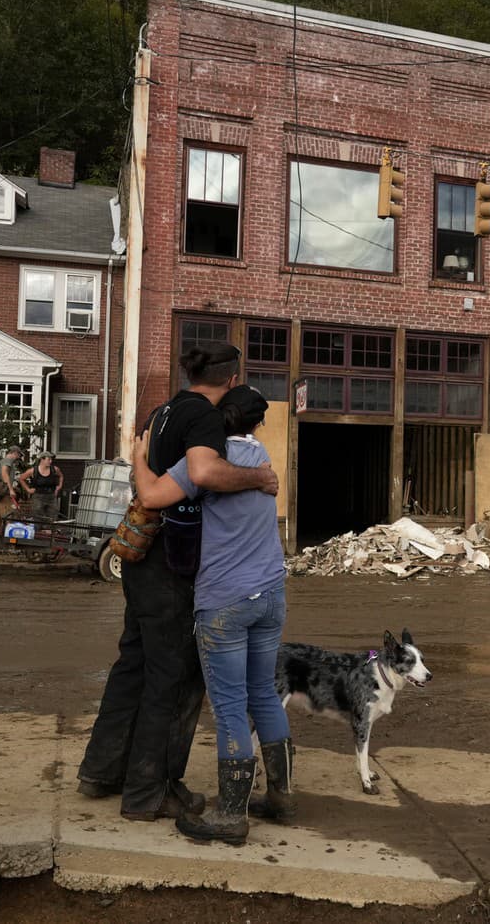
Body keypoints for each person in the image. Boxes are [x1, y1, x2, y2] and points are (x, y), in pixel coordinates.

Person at [76, 343, 279, 822]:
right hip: (175, 566)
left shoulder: (161, 411)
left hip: (142, 561)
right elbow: (205, 471)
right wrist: (258, 478)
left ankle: (101, 771)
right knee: (176, 678)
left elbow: (145, 471)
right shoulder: (205, 419)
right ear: (231, 381)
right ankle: (151, 791)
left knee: (133, 666)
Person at [131, 385, 292, 845]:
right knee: (262, 691)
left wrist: (139, 455)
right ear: (257, 423)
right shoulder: (263, 460)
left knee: (228, 707)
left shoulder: (204, 465)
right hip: (271, 594)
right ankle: (281, 796)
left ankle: (231, 815)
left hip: (225, 600)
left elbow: (151, 496)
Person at [0, 444, 23, 535]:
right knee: (9, 517)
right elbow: (4, 473)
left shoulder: (1, 461)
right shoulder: (8, 461)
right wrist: (11, 489)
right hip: (3, 494)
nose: (18, 457)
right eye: (19, 455)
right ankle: (10, 540)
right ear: (14, 453)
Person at [19, 451, 64, 520]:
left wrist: (59, 486)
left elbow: (61, 476)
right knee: (38, 517)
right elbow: (21, 478)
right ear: (42, 459)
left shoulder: (55, 469)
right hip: (38, 496)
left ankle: (50, 530)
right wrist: (28, 489)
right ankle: (39, 530)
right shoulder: (33, 470)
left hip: (51, 496)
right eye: (48, 459)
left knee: (52, 516)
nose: (50, 461)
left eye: (51, 459)